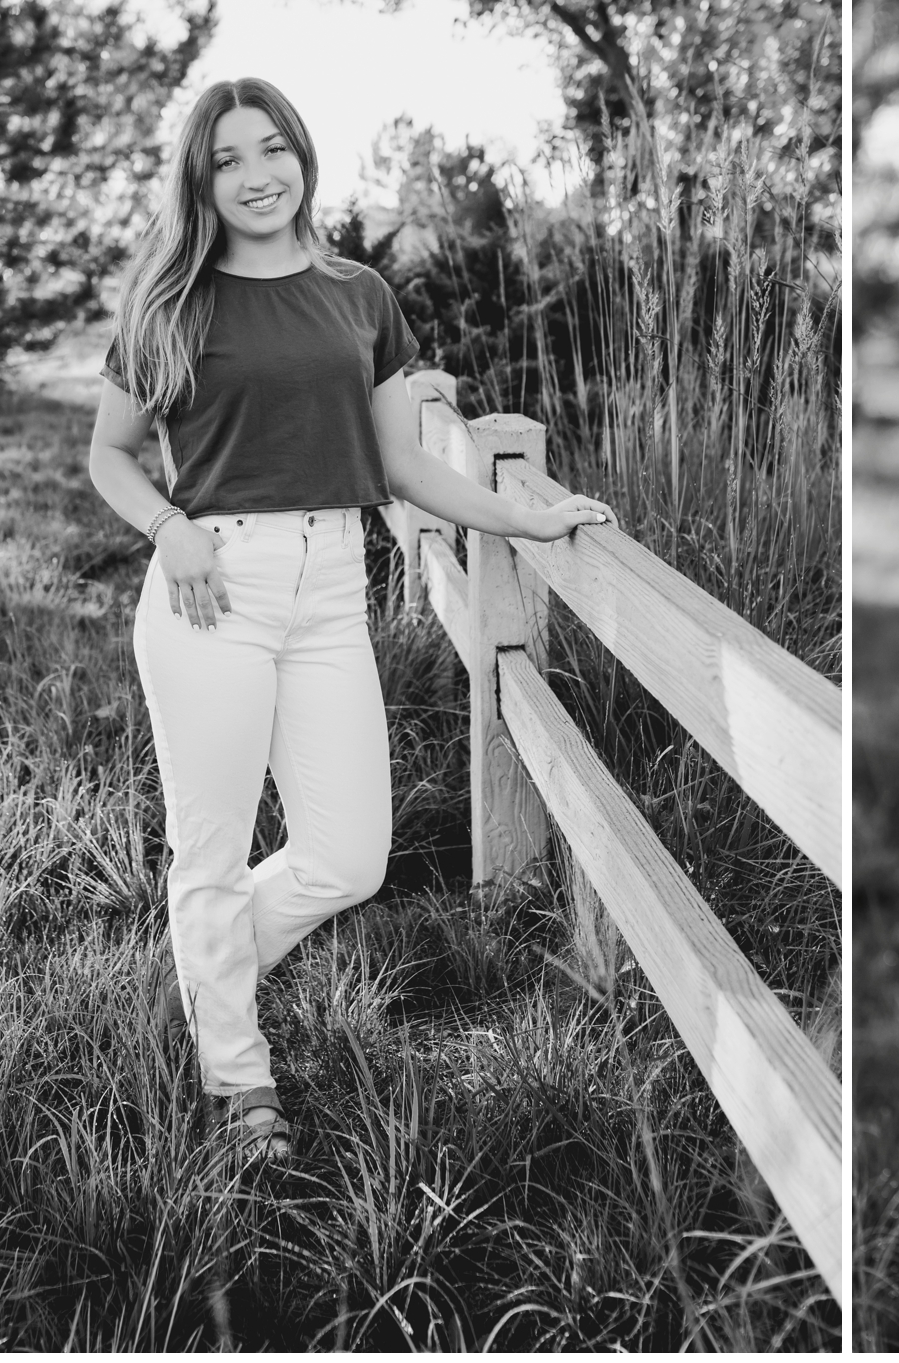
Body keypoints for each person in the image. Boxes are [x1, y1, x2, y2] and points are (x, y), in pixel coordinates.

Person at [88, 77, 613, 1162]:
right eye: (228, 158)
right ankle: (240, 1082)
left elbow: (403, 462)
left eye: (271, 149)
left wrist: (529, 513)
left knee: (347, 856)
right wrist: (167, 528)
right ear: (202, 178)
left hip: (332, 582)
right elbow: (109, 452)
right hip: (211, 583)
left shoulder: (359, 294)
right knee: (211, 849)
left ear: (302, 157)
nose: (256, 174)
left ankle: (209, 967)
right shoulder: (171, 299)